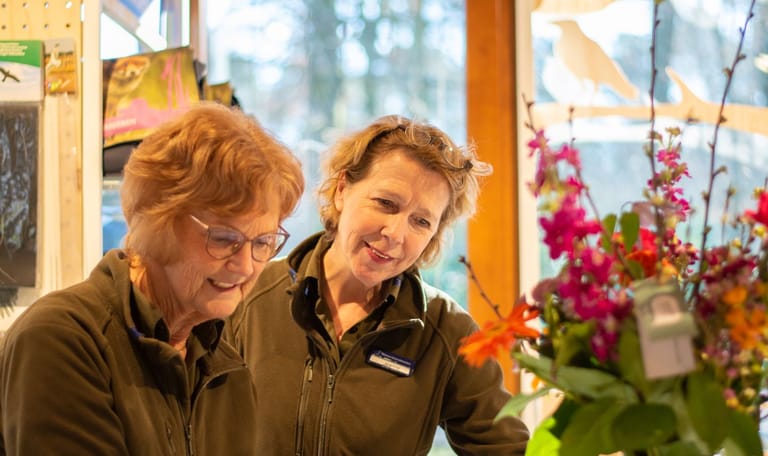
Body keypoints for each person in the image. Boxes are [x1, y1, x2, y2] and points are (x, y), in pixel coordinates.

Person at [0, 102, 304, 454]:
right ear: (157, 224)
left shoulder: (225, 371)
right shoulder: (64, 339)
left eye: (263, 243)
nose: (246, 266)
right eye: (224, 239)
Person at [225, 114, 530, 455]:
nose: (395, 234)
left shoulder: (446, 331)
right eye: (386, 203)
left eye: (421, 221)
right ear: (342, 190)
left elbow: (506, 450)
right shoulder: (246, 291)